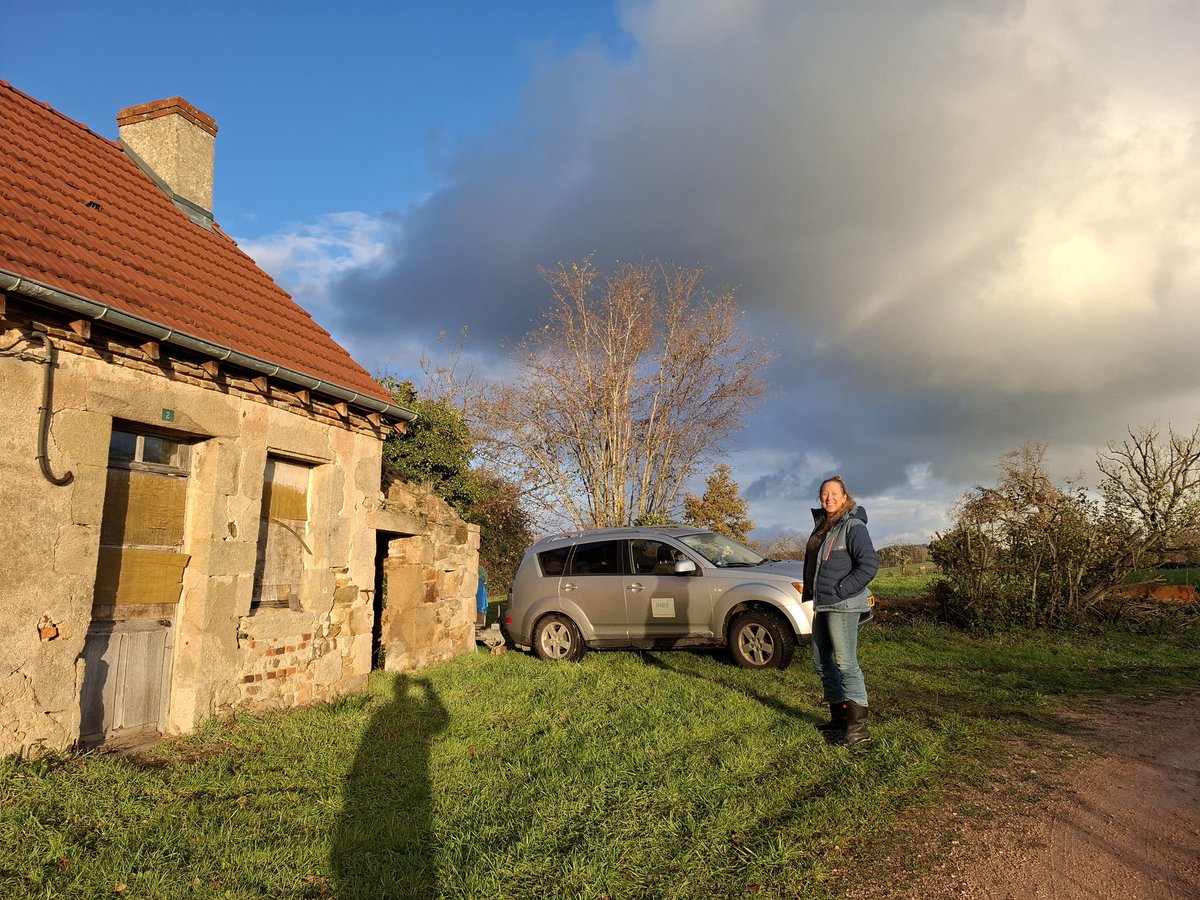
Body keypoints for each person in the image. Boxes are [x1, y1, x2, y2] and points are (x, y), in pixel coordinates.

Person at [803, 475, 878, 747]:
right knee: (820, 660)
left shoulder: (853, 526)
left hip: (843, 604)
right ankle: (839, 716)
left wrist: (841, 590)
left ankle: (858, 730)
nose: (829, 497)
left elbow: (868, 566)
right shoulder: (824, 526)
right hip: (823, 604)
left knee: (846, 663)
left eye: (834, 493)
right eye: (824, 493)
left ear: (845, 497)